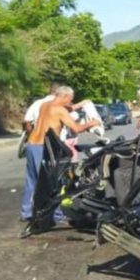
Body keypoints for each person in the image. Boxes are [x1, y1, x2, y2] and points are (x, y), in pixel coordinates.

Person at [20, 86, 99, 221]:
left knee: (32, 180)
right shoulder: (60, 110)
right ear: (65, 97)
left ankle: (26, 212)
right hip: (44, 147)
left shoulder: (44, 105)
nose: (70, 102)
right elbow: (76, 128)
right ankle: (55, 214)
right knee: (51, 181)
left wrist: (82, 104)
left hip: (32, 144)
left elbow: (65, 109)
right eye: (70, 99)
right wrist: (92, 123)